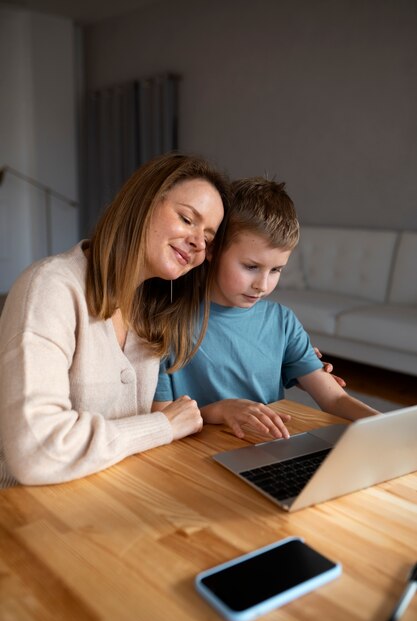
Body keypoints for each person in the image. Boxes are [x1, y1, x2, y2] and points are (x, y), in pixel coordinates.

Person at [0, 152, 231, 488]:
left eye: (208, 239)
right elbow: (36, 451)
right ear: (144, 202)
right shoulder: (50, 288)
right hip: (28, 514)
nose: (198, 242)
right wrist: (161, 425)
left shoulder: (150, 311)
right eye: (186, 218)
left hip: (113, 496)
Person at [153, 177, 379, 439]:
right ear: (212, 248)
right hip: (193, 455)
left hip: (266, 450)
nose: (262, 284)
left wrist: (392, 427)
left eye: (276, 270)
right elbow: (163, 419)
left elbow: (335, 400)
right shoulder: (166, 323)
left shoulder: (282, 322)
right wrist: (220, 410)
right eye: (251, 267)